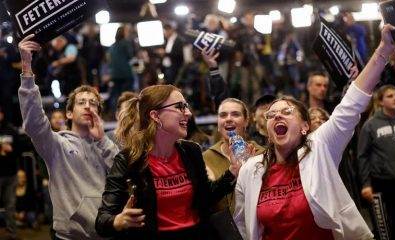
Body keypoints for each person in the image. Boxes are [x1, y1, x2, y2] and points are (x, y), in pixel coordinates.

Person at [233, 24, 395, 240]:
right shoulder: (251, 170)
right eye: (271, 115)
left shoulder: (319, 148)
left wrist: (384, 49)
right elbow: (244, 226)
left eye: (287, 111)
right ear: (269, 131)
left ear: (304, 127)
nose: (277, 116)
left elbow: (352, 103)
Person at [95, 84, 241, 239]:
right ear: (155, 116)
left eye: (186, 106)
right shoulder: (128, 161)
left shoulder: (191, 151)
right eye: (180, 107)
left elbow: (205, 197)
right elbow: (102, 221)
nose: (189, 113)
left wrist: (232, 172)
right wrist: (118, 221)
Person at [17, 34, 119, 240]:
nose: (88, 106)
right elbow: (34, 122)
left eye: (93, 103)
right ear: (70, 113)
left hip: (108, 234)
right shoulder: (55, 145)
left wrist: (102, 141)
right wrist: (27, 69)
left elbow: (122, 177)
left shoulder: (108, 143)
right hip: (69, 236)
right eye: (82, 102)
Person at [203, 97, 264, 213]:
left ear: (246, 121)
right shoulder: (205, 158)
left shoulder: (262, 154)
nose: (228, 119)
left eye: (235, 114)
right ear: (218, 123)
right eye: (223, 115)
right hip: (222, 228)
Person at [357, 84, 395, 239]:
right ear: (381, 101)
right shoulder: (371, 124)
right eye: (390, 96)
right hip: (381, 183)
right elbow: (362, 156)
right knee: (384, 230)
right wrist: (366, 184)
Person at [0, 105, 21, 240]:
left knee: (10, 206)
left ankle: (12, 234)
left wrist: (12, 149)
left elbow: (20, 149)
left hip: (11, 174)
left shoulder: (11, 130)